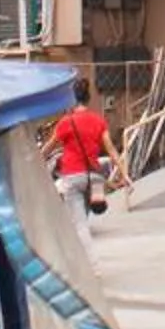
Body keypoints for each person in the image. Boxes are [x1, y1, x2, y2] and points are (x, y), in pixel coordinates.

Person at [47, 80, 127, 233]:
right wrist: (125, 174)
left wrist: (33, 159)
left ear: (71, 100)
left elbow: (48, 147)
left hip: (72, 175)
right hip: (93, 176)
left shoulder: (65, 122)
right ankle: (81, 234)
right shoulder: (98, 120)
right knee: (82, 217)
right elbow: (111, 150)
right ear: (88, 98)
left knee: (78, 222)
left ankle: (79, 246)